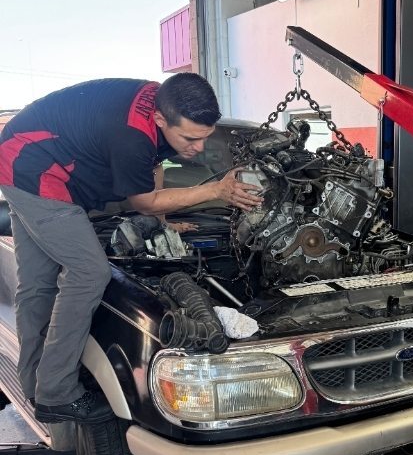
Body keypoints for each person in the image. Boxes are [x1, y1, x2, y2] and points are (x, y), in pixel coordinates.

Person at [0, 74, 262, 425]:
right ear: (160, 119)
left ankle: (34, 384)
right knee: (90, 273)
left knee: (38, 284)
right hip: (31, 165)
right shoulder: (131, 136)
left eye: (205, 137)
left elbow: (155, 165)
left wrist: (164, 220)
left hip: (25, 153)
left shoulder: (166, 104)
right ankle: (56, 393)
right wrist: (215, 190)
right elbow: (142, 201)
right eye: (190, 139)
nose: (199, 148)